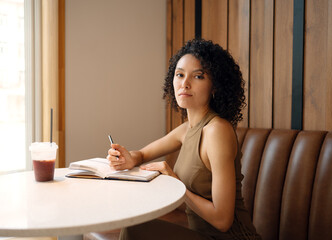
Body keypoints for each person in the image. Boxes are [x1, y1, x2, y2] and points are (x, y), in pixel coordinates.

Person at [107, 39, 261, 240]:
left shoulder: (217, 131)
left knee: (133, 232)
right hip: (200, 235)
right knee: (133, 227)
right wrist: (129, 158)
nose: (185, 83)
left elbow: (223, 221)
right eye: (179, 75)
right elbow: (143, 154)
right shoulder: (187, 129)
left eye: (198, 76)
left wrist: (176, 183)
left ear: (215, 86)